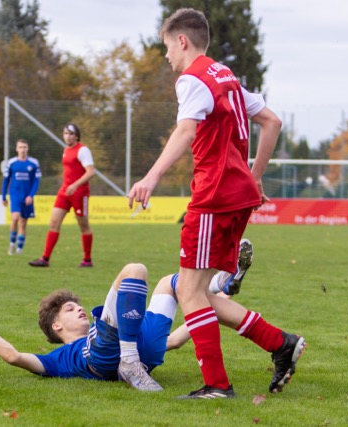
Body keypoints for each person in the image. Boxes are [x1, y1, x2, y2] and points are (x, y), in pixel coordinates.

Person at [127, 8, 305, 399]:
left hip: (214, 196)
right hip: (238, 197)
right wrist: (254, 176)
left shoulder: (192, 79)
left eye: (166, 47)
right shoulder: (226, 77)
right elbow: (272, 122)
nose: (166, 56)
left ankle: (217, 385)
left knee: (189, 292)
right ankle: (280, 343)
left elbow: (186, 131)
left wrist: (150, 177)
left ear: (182, 41)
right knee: (198, 291)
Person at [0, 241, 303, 395]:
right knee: (135, 269)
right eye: (68, 309)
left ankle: (221, 284)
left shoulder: (111, 324)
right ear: (56, 327)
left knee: (177, 285)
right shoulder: (58, 359)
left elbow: (176, 339)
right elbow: (12, 356)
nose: (78, 308)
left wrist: (214, 303)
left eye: (75, 305)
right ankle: (131, 359)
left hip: (142, 346)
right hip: (104, 355)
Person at [28, 123, 95, 268]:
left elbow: (90, 172)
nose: (68, 136)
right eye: (65, 133)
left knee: (83, 226)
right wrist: (68, 186)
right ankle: (45, 259)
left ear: (77, 136)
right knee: (54, 223)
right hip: (65, 191)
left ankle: (87, 260)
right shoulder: (66, 150)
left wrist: (75, 185)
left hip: (79, 193)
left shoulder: (83, 150)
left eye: (71, 134)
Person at [1, 139, 41, 256]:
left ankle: (19, 249)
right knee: (15, 218)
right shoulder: (11, 163)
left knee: (23, 223)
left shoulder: (34, 163)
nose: (22, 149)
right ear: (16, 149)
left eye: (24, 147)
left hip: (27, 196)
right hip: (15, 195)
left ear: (27, 149)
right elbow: (6, 180)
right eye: (20, 147)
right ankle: (12, 243)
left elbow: (36, 182)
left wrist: (31, 196)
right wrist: (3, 196)